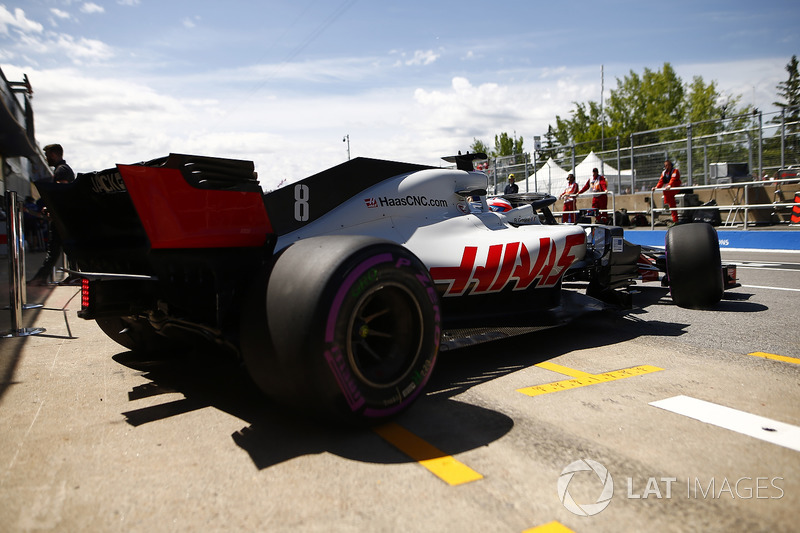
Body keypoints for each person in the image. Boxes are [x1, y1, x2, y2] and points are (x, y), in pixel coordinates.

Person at [29, 144, 75, 286]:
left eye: (47, 155)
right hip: (62, 216)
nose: (46, 158)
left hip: (61, 217)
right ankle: (44, 278)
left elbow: (61, 193)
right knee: (60, 248)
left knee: (60, 248)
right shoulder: (63, 170)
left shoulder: (62, 170)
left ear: (55, 154)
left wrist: (51, 208)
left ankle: (42, 279)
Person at [652, 159, 682, 224]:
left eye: (668, 165)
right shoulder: (663, 173)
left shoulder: (675, 171)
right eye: (665, 165)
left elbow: (673, 179)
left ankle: (666, 204)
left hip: (675, 187)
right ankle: (674, 219)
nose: (667, 167)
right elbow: (661, 182)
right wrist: (656, 187)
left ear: (671, 165)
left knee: (669, 198)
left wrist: (669, 185)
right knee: (672, 204)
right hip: (668, 189)